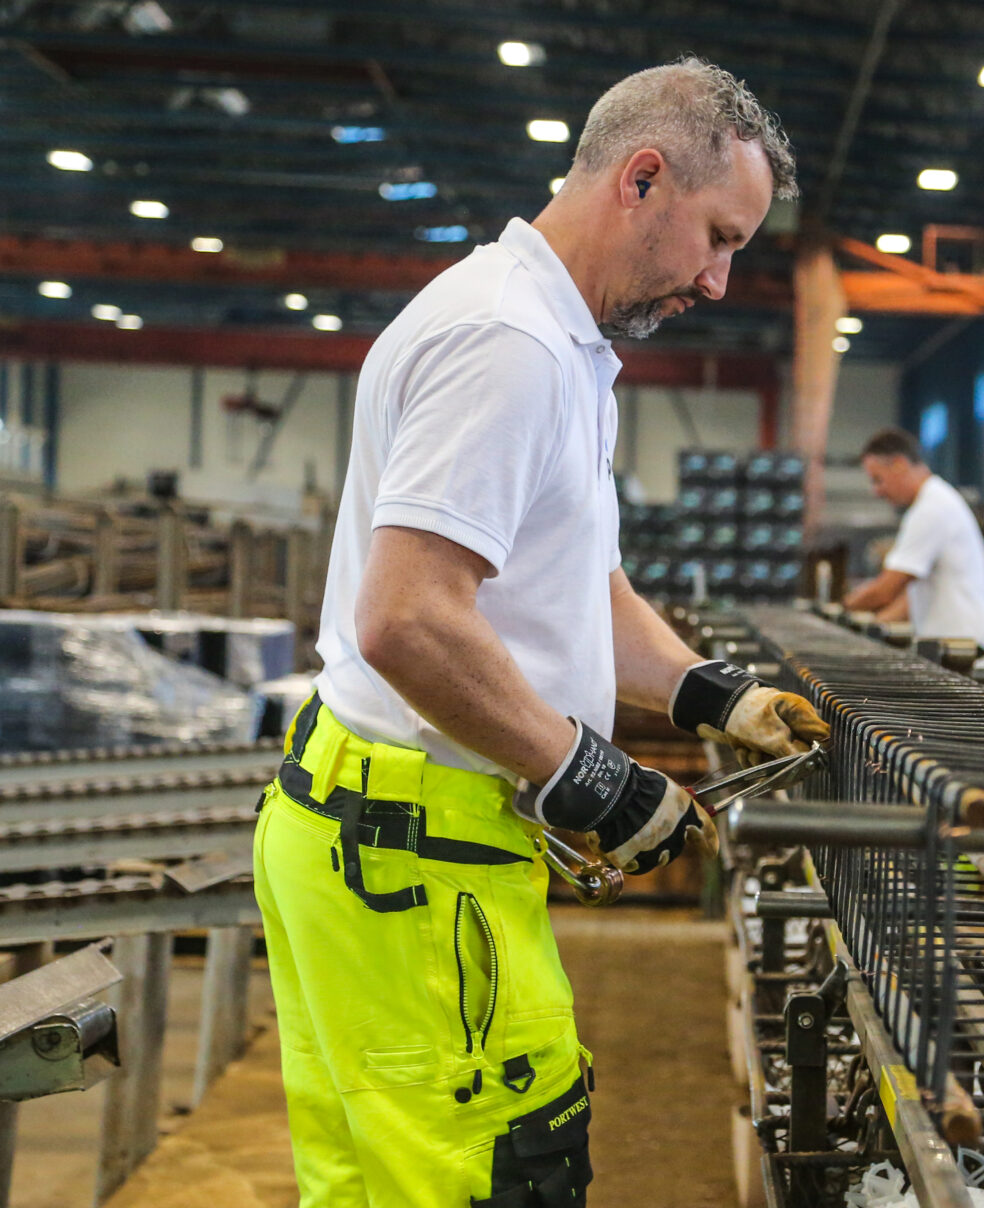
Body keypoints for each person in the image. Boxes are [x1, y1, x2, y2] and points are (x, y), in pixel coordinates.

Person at [253, 58, 829, 1207]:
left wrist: (713, 694)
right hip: (417, 865)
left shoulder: (555, 343)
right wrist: (589, 776)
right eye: (717, 237)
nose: (719, 281)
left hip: (378, 838)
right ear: (643, 178)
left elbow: (576, 587)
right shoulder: (508, 343)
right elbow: (409, 617)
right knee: (506, 1172)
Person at [843, 426, 984, 669]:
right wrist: (871, 627)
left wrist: (842, 608)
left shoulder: (931, 509)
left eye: (877, 479)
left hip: (971, 660)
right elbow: (909, 598)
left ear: (900, 464)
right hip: (959, 657)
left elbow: (885, 590)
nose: (876, 491)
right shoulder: (933, 502)